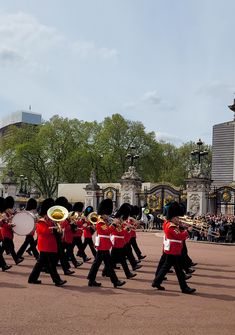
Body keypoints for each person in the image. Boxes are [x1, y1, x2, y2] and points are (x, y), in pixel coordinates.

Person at [152, 201, 196, 294]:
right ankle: (184, 288)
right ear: (172, 217)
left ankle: (156, 282)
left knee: (167, 267)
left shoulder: (170, 224)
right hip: (173, 249)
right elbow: (179, 236)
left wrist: (182, 227)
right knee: (178, 270)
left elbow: (179, 233)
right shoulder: (171, 226)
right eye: (177, 217)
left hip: (173, 249)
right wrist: (188, 231)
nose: (178, 219)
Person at [87, 198, 126, 288]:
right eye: (106, 214)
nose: (107, 216)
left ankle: (91, 280)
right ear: (103, 213)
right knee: (108, 264)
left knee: (97, 263)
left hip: (104, 244)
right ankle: (115, 281)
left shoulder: (103, 221)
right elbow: (107, 231)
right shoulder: (100, 222)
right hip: (103, 245)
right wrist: (114, 224)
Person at [28, 198, 67, 286]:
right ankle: (57, 280)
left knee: (41, 263)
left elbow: (54, 232)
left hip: (50, 245)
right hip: (45, 245)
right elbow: (44, 231)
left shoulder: (51, 221)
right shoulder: (41, 221)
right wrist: (54, 229)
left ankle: (32, 278)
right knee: (51, 264)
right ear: (45, 213)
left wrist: (59, 230)